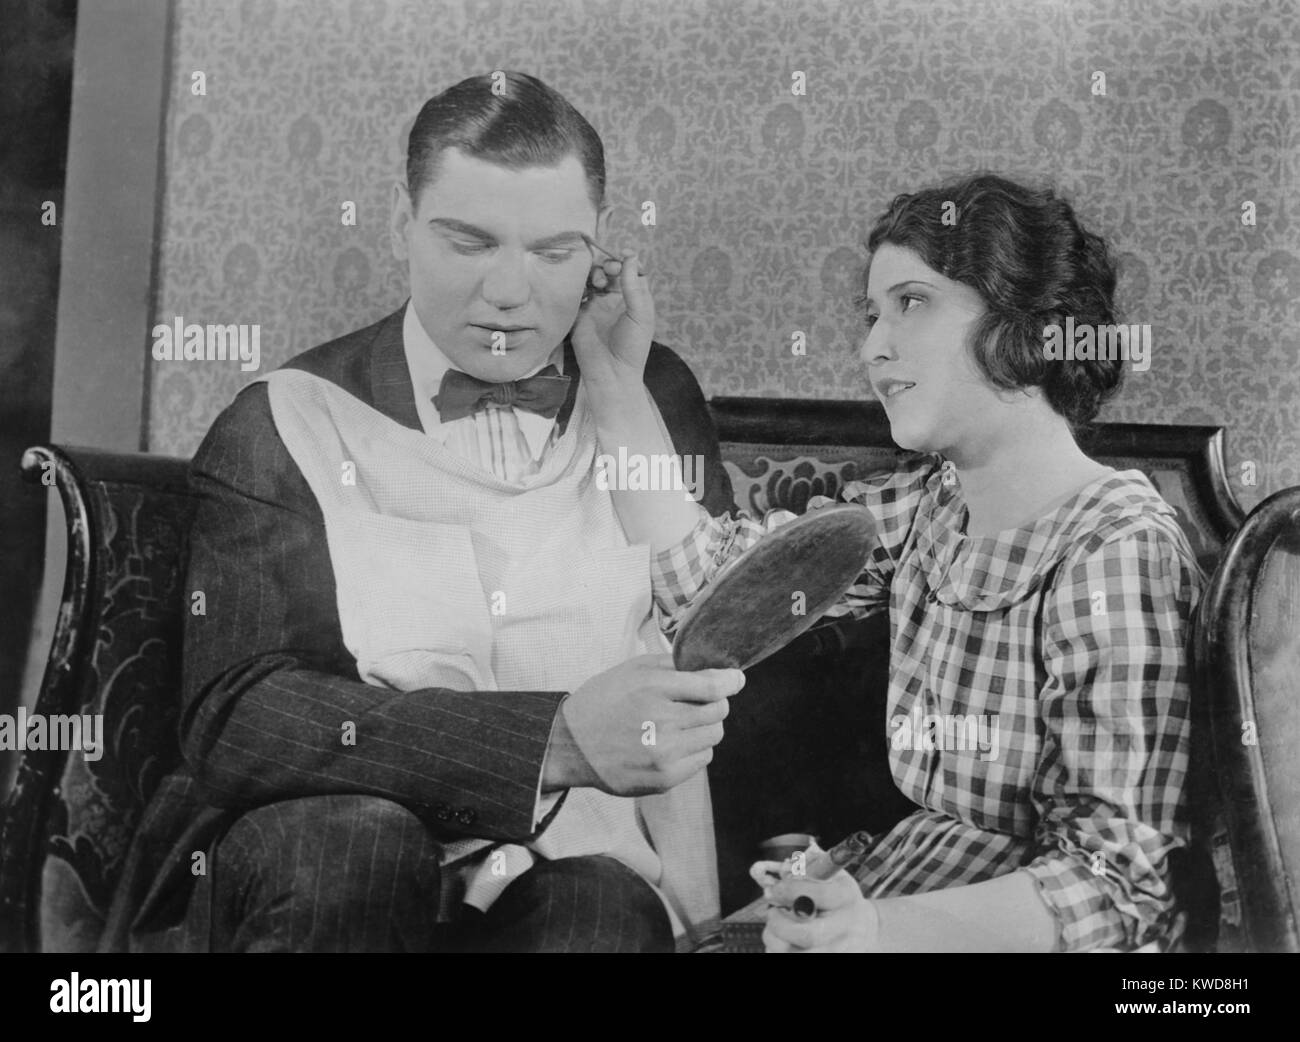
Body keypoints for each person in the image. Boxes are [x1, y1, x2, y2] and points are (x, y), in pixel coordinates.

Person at [100, 71, 746, 954]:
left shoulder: (648, 392)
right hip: (330, 852)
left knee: (602, 913)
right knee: (354, 850)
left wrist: (706, 933)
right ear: (402, 228)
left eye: (554, 252)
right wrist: (545, 741)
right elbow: (238, 715)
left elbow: (693, 665)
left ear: (600, 251)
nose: (511, 292)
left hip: (570, 856)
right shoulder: (285, 417)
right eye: (468, 242)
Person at [575, 173, 1203, 953]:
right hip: (910, 881)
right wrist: (610, 377)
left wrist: (876, 930)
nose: (873, 346)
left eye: (912, 302)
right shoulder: (926, 505)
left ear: (1025, 323)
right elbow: (712, 586)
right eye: (872, 314)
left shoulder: (1116, 545)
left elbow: (1116, 889)